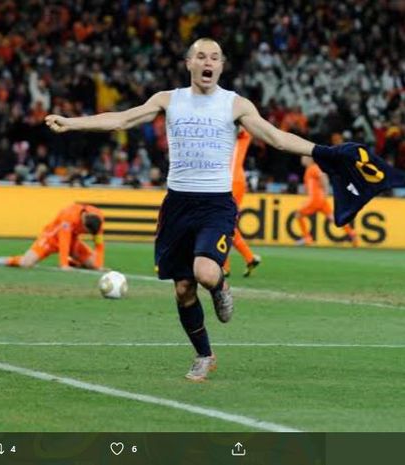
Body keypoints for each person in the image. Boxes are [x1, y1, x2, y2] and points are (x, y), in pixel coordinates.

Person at [44, 38, 360, 382]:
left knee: (206, 273)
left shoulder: (235, 105)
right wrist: (71, 123)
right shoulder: (169, 99)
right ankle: (204, 355)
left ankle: (221, 287)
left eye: (214, 57)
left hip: (215, 203)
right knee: (182, 289)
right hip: (177, 204)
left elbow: (277, 138)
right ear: (189, 64)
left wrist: (324, 152)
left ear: (221, 66)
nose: (207, 62)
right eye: (200, 56)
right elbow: (121, 120)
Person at [0, 203, 105, 271]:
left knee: (93, 264)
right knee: (26, 263)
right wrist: (63, 265)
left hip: (73, 240)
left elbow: (99, 244)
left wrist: (99, 265)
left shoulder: (98, 218)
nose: (86, 233)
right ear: (83, 221)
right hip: (52, 238)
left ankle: (75, 262)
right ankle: (9, 260)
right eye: (86, 231)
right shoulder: (69, 215)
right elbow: (64, 241)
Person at [295, 156, 358, 246]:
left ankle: (307, 238)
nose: (302, 159)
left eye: (304, 157)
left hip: (315, 199)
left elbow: (323, 176)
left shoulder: (313, 168)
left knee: (298, 214)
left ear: (309, 159)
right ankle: (352, 234)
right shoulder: (310, 169)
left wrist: (326, 191)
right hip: (321, 199)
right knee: (334, 219)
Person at [223, 128, 261, 277]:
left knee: (221, 222)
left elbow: (238, 128)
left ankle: (225, 266)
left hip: (231, 181)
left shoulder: (241, 129)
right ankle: (249, 258)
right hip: (233, 180)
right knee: (227, 224)